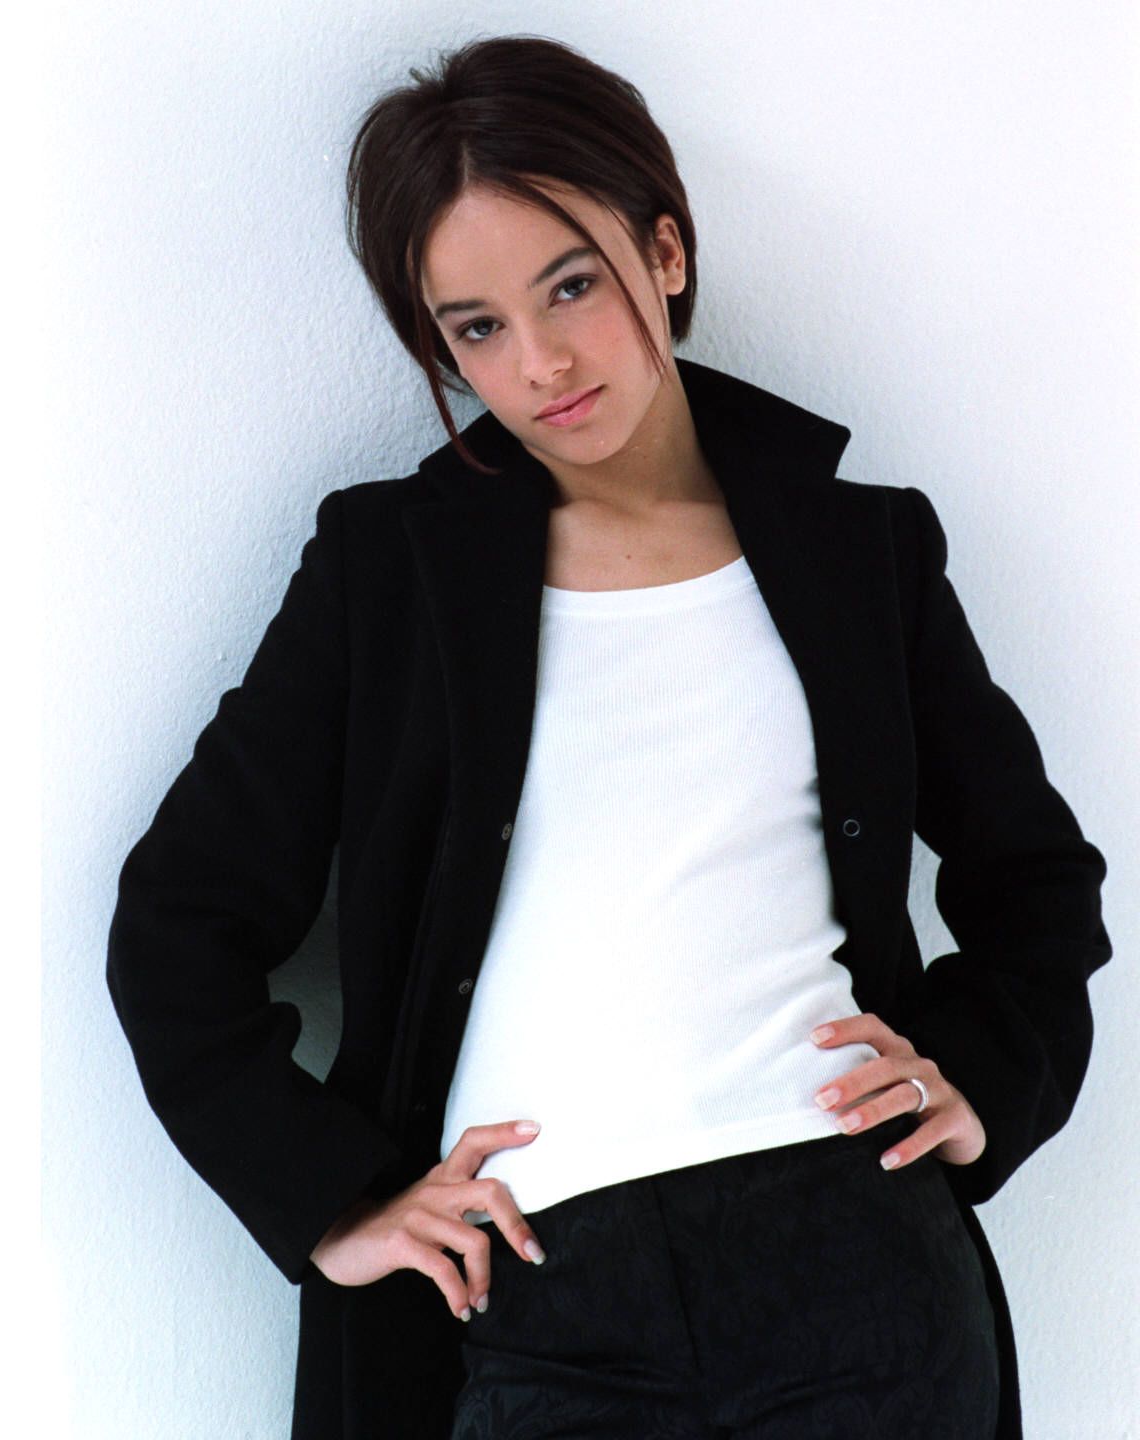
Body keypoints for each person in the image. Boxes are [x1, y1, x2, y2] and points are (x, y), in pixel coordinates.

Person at [104, 33, 1110, 1440]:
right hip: (531, 1291)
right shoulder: (387, 576)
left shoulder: (861, 552)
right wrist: (329, 1202)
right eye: (476, 328)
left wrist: (988, 1077)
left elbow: (1036, 878)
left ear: (666, 251)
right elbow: (176, 923)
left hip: (853, 1255)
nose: (542, 362)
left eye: (571, 284)